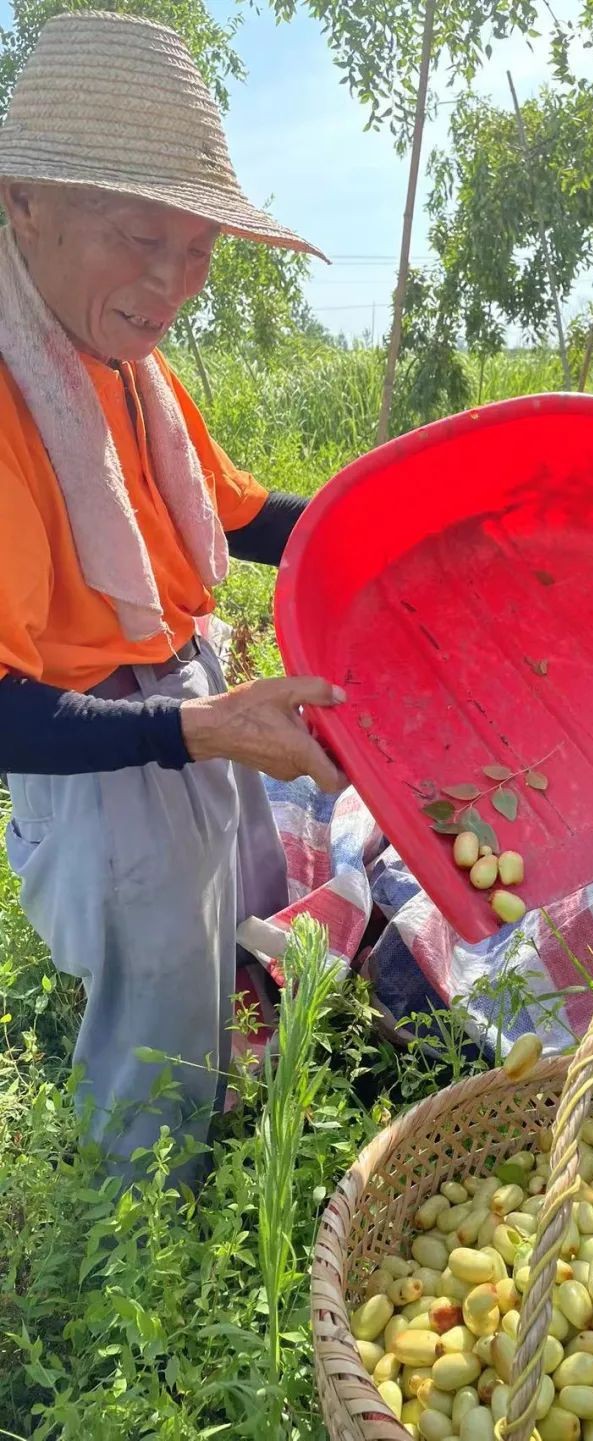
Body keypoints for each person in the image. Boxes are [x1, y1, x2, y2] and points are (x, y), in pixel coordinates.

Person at [0, 11, 346, 1187]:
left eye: (197, 247)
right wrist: (203, 727)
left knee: (227, 918)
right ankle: (140, 1238)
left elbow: (238, 516)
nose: (175, 283)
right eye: (142, 236)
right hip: (98, 742)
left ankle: (231, 1085)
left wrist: (398, 540)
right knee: (151, 990)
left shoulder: (125, 369)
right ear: (24, 204)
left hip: (189, 690)